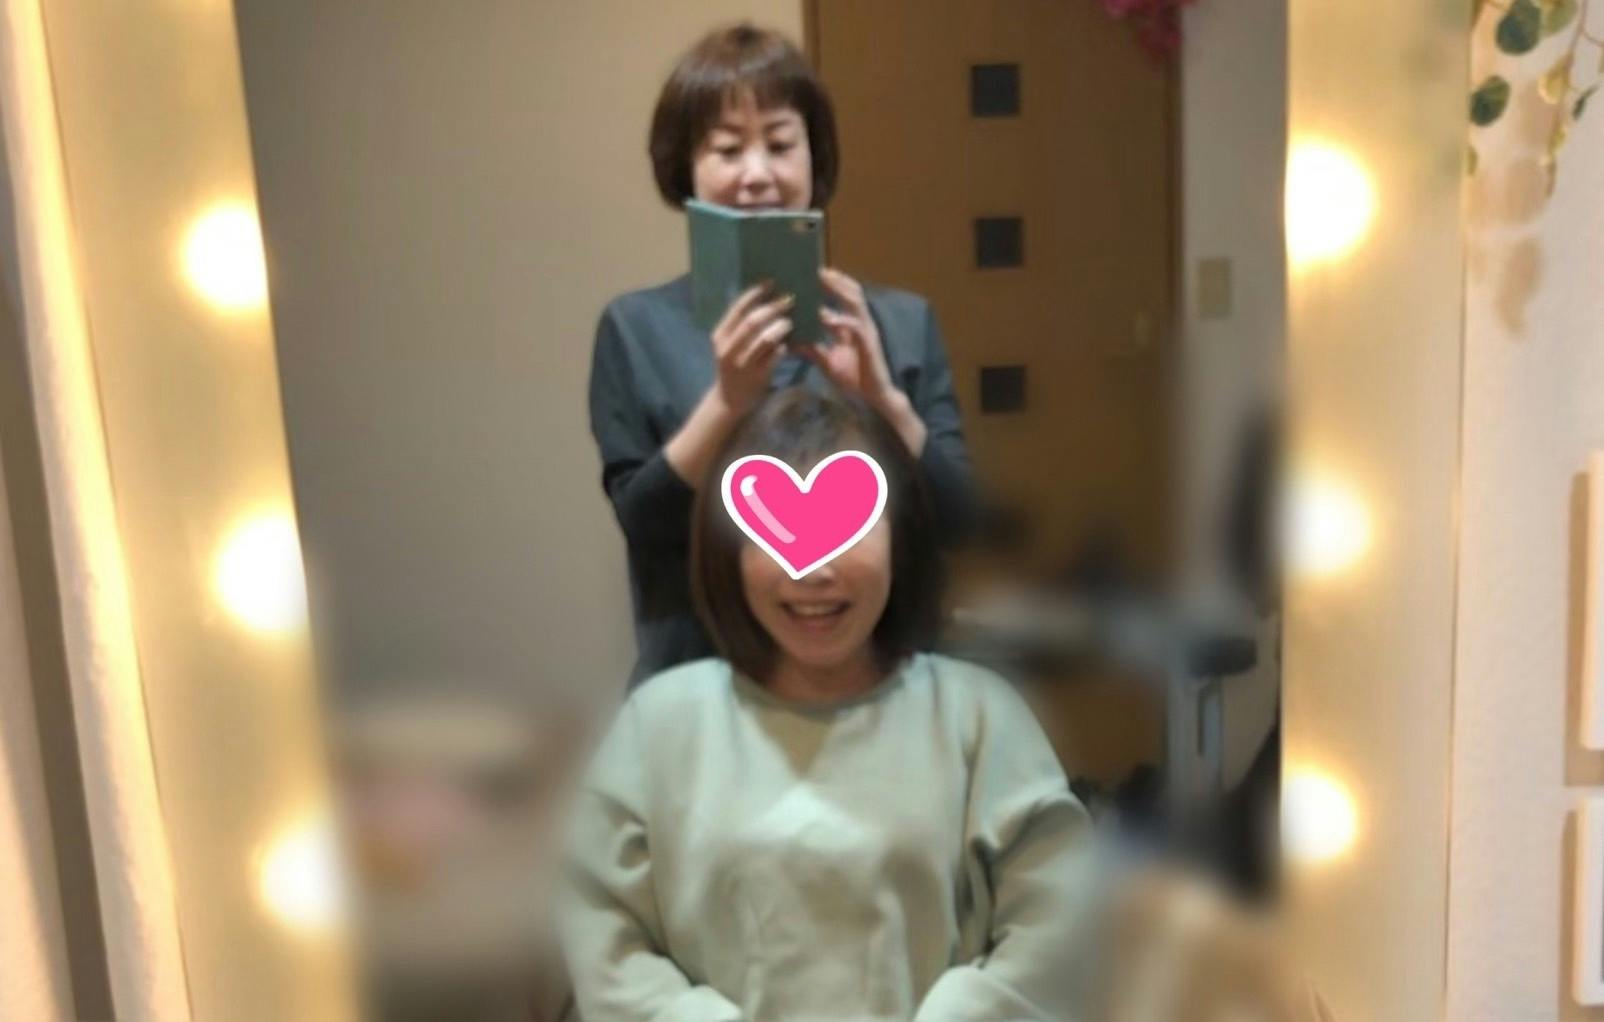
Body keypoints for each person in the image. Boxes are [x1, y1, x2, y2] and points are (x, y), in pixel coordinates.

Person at [561, 389, 1094, 1021]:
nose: (813, 571)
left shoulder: (981, 716)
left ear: (900, 541)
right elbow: (603, 936)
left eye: (851, 526)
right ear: (729, 551)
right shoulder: (657, 723)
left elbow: (1061, 926)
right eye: (775, 534)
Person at [589, 23, 977, 686]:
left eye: (779, 144)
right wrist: (726, 404)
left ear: (814, 160)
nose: (756, 175)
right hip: (701, 690)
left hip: (883, 690)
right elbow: (647, 529)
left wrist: (883, 400)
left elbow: (960, 522)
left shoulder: (899, 323)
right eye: (727, 149)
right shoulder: (636, 327)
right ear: (686, 168)